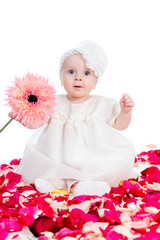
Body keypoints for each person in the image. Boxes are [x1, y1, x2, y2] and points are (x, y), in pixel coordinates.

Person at [15, 41, 136, 196]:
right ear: (60, 78)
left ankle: (86, 184)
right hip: (58, 154)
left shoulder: (102, 104)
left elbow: (119, 125)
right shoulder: (53, 101)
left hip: (92, 155)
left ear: (95, 82)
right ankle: (54, 182)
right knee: (49, 163)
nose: (78, 78)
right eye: (71, 72)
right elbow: (37, 122)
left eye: (86, 73)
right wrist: (22, 117)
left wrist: (125, 112)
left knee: (105, 165)